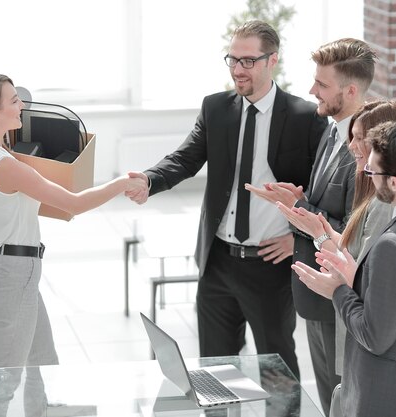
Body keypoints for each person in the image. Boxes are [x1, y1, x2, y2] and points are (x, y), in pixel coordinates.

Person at [126, 20, 328, 378]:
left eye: (248, 61)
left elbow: (324, 192)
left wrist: (299, 238)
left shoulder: (305, 117)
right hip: (217, 260)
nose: (238, 69)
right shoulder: (216, 109)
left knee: (277, 370)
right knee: (216, 371)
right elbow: (185, 158)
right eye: (232, 59)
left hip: (269, 265)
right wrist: (149, 179)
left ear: (273, 61)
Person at [0, 74, 145, 415]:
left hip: (13, 270)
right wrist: (121, 183)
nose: (22, 105)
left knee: (42, 362)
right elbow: (72, 204)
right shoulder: (6, 165)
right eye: (14, 100)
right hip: (15, 274)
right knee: (4, 384)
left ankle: (41, 411)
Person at [246, 38, 376, 416]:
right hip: (317, 298)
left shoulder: (363, 151)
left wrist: (299, 207)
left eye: (321, 84)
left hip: (337, 299)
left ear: (350, 91)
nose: (310, 91)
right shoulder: (332, 131)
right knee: (327, 399)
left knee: (341, 400)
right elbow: (323, 205)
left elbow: (356, 234)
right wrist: (297, 199)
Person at [292, 122, 396, 417]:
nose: (367, 176)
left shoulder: (393, 245)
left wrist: (338, 290)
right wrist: (357, 278)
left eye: (372, 171)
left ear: (394, 182)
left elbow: (375, 336)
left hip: (390, 400)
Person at [274, 100, 396, 376]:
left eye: (360, 138)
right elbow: (357, 250)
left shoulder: (384, 203)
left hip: (365, 334)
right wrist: (319, 231)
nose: (351, 146)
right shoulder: (373, 194)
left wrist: (320, 234)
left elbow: (363, 270)